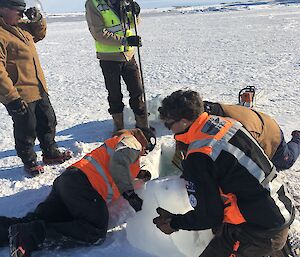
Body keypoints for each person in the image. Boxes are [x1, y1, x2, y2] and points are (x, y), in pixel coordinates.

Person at [154, 90, 294, 257]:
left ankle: (275, 248)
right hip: (280, 203)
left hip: (261, 230)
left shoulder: (199, 155)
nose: (170, 130)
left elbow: (209, 216)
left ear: (184, 122)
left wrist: (174, 223)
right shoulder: (225, 123)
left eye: (169, 125)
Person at [0, 128, 156, 257]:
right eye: (146, 151)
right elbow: (119, 163)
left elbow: (119, 166)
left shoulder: (121, 144)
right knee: (95, 230)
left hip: (69, 182)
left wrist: (140, 175)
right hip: (85, 187)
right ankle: (32, 234)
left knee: (44, 218)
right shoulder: (132, 142)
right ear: (145, 144)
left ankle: (7, 230)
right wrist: (129, 194)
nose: (143, 155)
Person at [0, 0, 71, 175]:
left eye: (23, 11)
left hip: (38, 87)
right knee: (26, 128)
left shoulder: (22, 27)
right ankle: (29, 160)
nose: (21, 14)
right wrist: (12, 98)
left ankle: (50, 152)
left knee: (48, 120)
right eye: (18, 11)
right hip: (20, 93)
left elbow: (39, 34)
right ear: (3, 9)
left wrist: (37, 18)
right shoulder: (2, 34)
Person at [85, 0, 148, 131]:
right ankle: (119, 129)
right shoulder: (94, 3)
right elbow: (98, 33)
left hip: (128, 55)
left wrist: (136, 14)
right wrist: (125, 41)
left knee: (137, 90)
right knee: (115, 94)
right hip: (109, 58)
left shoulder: (123, 1)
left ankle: (142, 126)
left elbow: (131, 24)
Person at [204, 101, 300, 171]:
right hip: (252, 119)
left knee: (286, 162)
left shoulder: (237, 133)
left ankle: (298, 139)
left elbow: (252, 162)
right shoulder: (201, 109)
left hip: (269, 132)